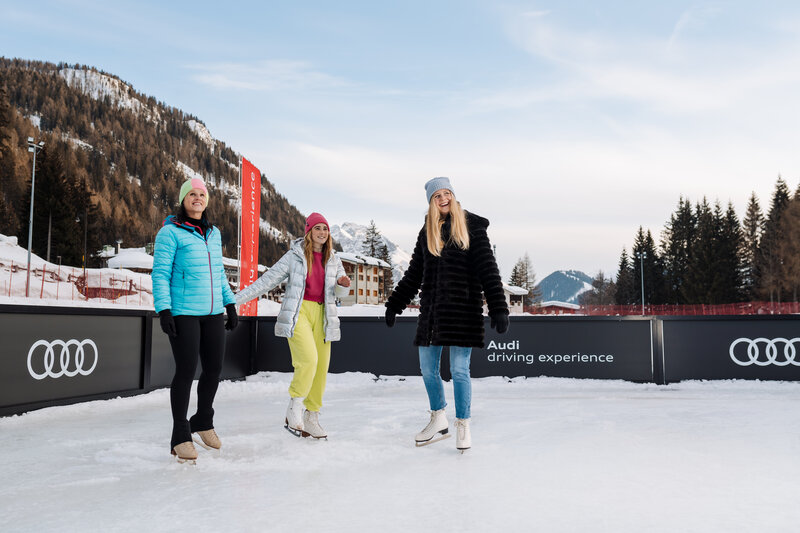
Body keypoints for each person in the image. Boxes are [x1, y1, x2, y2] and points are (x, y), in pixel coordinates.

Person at [385, 177, 509, 453]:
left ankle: (463, 424)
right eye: (437, 195)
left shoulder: (472, 227)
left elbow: (488, 269)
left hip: (462, 313)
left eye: (447, 193)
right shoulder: (426, 232)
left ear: (453, 196)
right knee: (428, 369)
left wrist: (499, 308)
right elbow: (414, 274)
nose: (443, 199)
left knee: (459, 370)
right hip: (432, 314)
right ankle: (438, 419)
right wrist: (394, 304)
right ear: (431, 202)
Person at [235, 212, 351, 439]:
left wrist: (343, 286)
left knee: (321, 368)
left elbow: (340, 292)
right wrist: (235, 299)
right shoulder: (294, 256)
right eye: (317, 228)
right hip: (299, 313)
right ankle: (294, 409)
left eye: (325, 229)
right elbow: (267, 281)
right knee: (308, 360)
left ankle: (312, 417)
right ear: (308, 232)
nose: (322, 233)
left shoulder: (333, 258)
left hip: (324, 315)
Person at [152, 177, 238, 464]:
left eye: (202, 194)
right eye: (192, 194)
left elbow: (220, 273)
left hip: (213, 313)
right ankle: (180, 435)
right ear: (183, 199)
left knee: (213, 369)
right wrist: (164, 310)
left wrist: (230, 303)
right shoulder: (170, 232)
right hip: (184, 312)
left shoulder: (213, 233)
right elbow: (160, 274)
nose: (197, 198)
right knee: (186, 371)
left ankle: (202, 420)